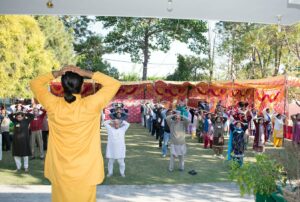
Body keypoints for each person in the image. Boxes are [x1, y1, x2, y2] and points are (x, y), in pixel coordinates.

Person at [30, 65, 121, 202]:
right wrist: (86, 73)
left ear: (62, 85)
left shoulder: (53, 104)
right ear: (82, 86)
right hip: (86, 170)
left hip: (60, 170)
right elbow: (114, 84)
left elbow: (34, 83)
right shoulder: (91, 104)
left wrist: (57, 73)